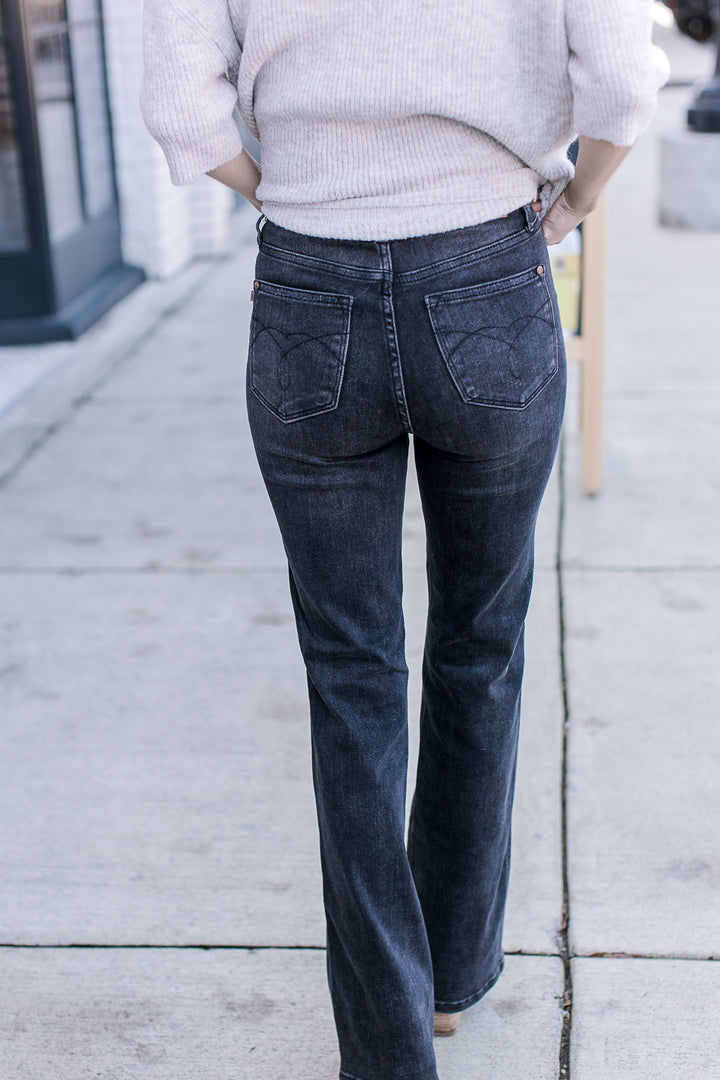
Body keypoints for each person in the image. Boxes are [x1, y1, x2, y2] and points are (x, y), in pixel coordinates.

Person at [140, 4, 668, 1078]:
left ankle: (386, 1046)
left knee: (350, 675)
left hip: (307, 287)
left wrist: (292, 196)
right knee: (481, 643)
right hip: (488, 269)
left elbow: (178, 108)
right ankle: (454, 977)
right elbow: (620, 78)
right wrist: (577, 197)